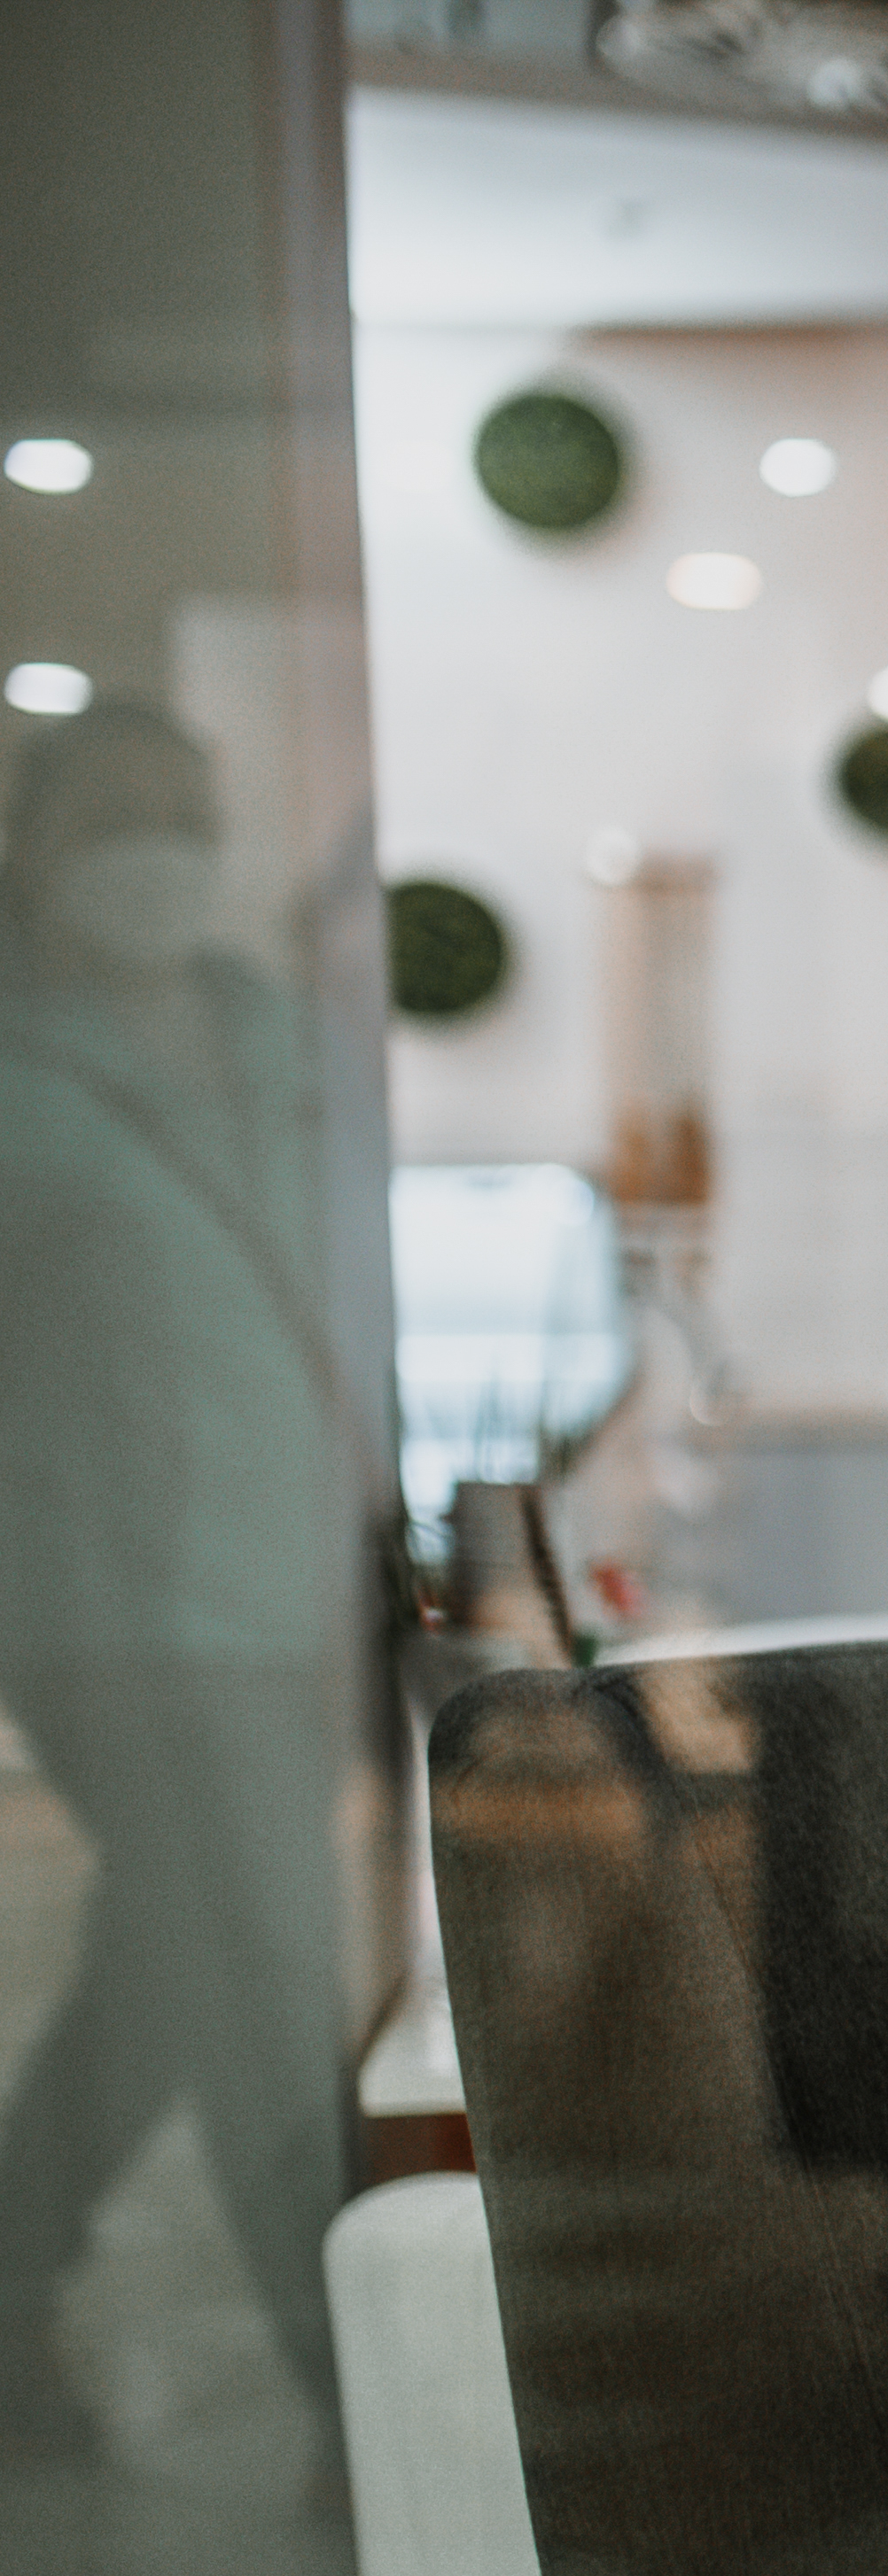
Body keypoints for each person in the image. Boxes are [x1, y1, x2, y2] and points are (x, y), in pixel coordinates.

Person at [0, 699, 362, 2432]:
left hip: (296, 1602)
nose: (155, 851)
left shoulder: (277, 1038)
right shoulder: (16, 1077)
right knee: (267, 1988)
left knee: (176, 1965)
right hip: (119, 1628)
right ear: (32, 843)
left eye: (183, 813)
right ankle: (352, 2385)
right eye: (111, 817)